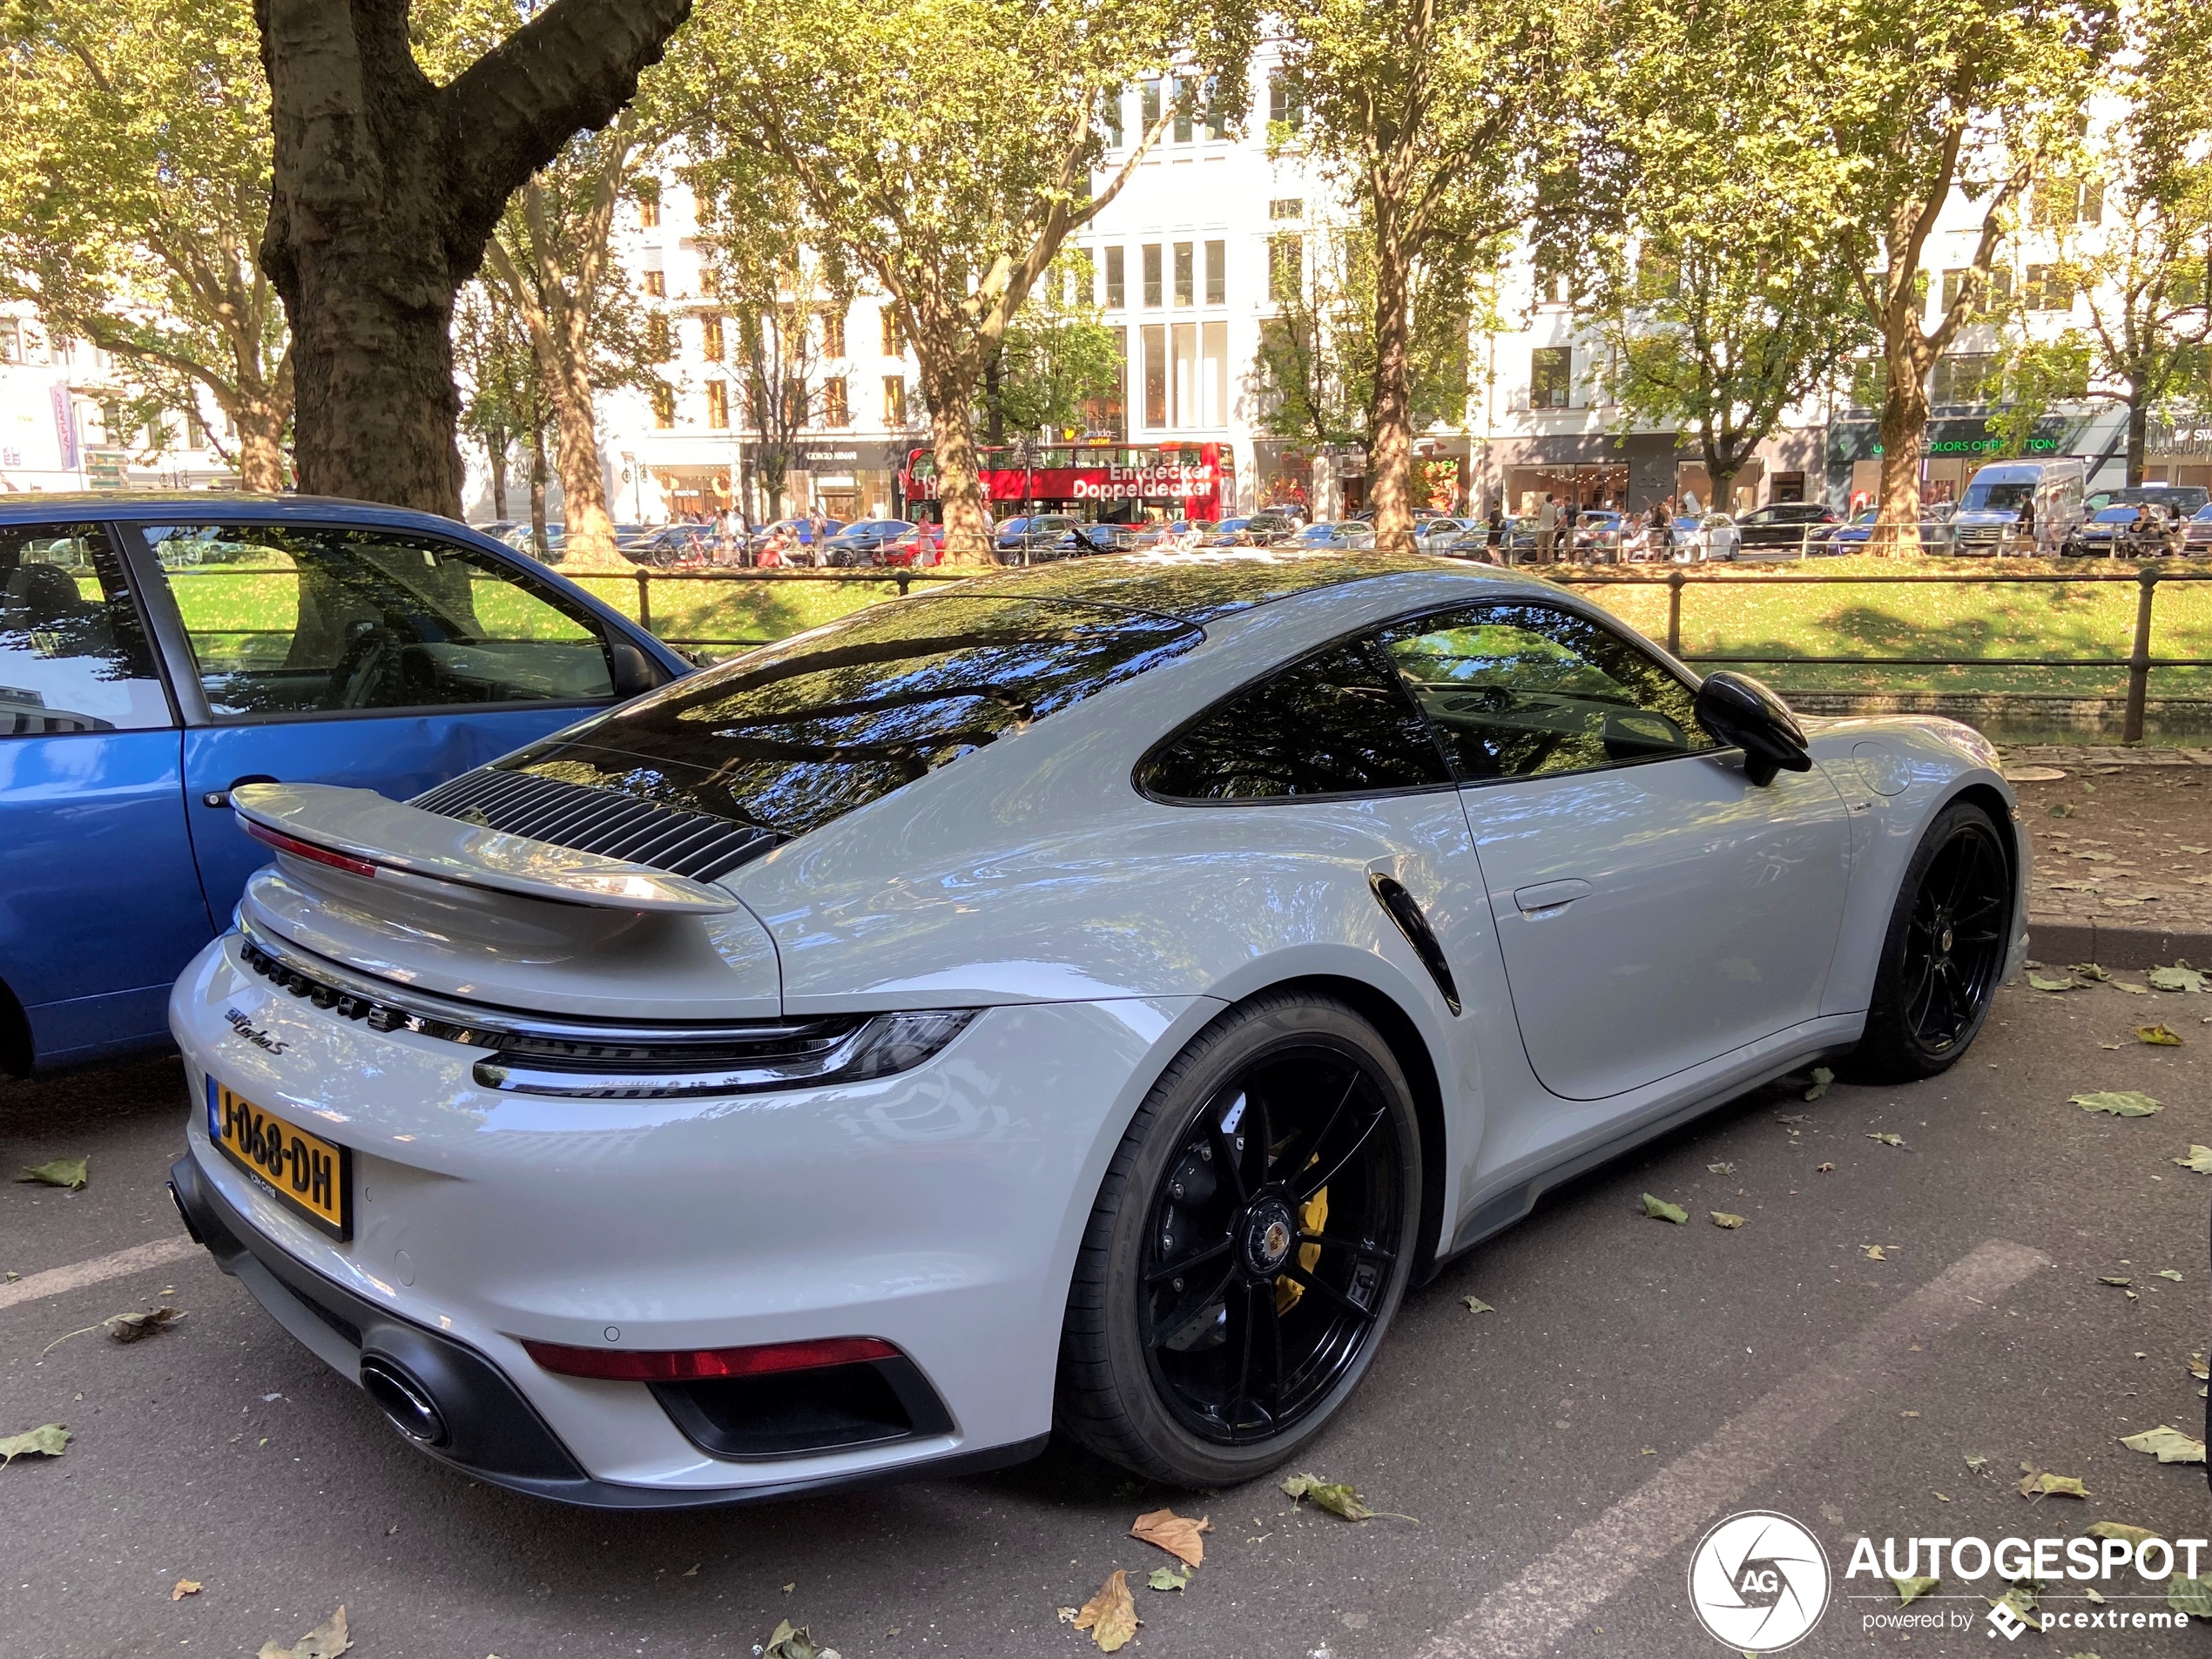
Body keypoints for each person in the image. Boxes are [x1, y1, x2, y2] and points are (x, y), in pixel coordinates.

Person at [1534, 493, 1560, 563]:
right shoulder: (1554, 508)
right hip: (1550, 528)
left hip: (1542, 528)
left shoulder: (1542, 506)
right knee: (1550, 545)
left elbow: (1538, 513)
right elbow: (1555, 517)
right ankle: (1549, 559)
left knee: (1540, 545)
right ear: (1552, 499)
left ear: (1546, 499)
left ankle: (1539, 560)